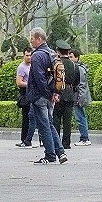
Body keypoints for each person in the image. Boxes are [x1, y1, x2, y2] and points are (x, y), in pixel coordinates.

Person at [26, 28, 67, 165]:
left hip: (41, 96)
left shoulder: (37, 56)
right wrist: (55, 93)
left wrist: (47, 94)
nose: (31, 41)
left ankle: (50, 155)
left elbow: (39, 78)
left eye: (32, 38)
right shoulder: (52, 53)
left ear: (38, 39)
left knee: (44, 126)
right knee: (50, 124)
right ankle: (60, 152)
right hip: (51, 95)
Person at [51, 40, 78, 150]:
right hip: (70, 93)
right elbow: (77, 81)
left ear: (58, 51)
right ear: (68, 52)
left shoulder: (55, 64)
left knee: (56, 119)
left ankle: (56, 143)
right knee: (67, 121)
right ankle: (66, 143)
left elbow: (52, 79)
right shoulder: (74, 65)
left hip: (58, 93)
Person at [70, 49, 93, 145]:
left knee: (80, 117)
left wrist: (80, 99)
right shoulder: (78, 67)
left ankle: (84, 138)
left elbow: (81, 86)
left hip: (78, 97)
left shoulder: (79, 69)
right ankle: (84, 137)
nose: (70, 59)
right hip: (78, 96)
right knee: (81, 116)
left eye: (71, 57)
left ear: (77, 57)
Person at [15, 47, 35, 148]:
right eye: (27, 55)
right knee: (26, 118)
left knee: (33, 117)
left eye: (30, 55)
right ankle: (24, 139)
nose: (29, 57)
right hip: (25, 94)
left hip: (33, 93)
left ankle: (29, 139)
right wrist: (30, 84)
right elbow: (19, 82)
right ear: (23, 55)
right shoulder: (22, 67)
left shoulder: (34, 65)